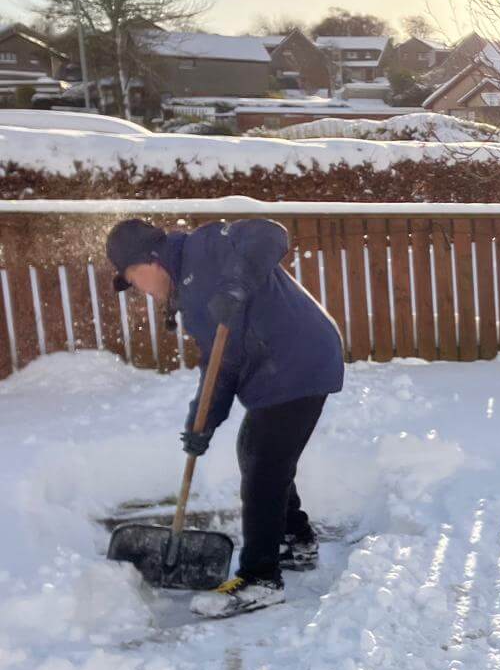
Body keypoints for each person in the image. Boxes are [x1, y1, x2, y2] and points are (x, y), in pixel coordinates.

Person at [106, 217, 344, 613]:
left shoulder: (204, 248)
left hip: (298, 361)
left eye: (132, 277)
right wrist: (202, 422)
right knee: (255, 452)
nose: (138, 290)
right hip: (278, 369)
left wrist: (238, 281)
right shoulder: (189, 294)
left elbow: (270, 234)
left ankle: (261, 578)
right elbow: (222, 367)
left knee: (265, 468)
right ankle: (294, 539)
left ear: (150, 260)